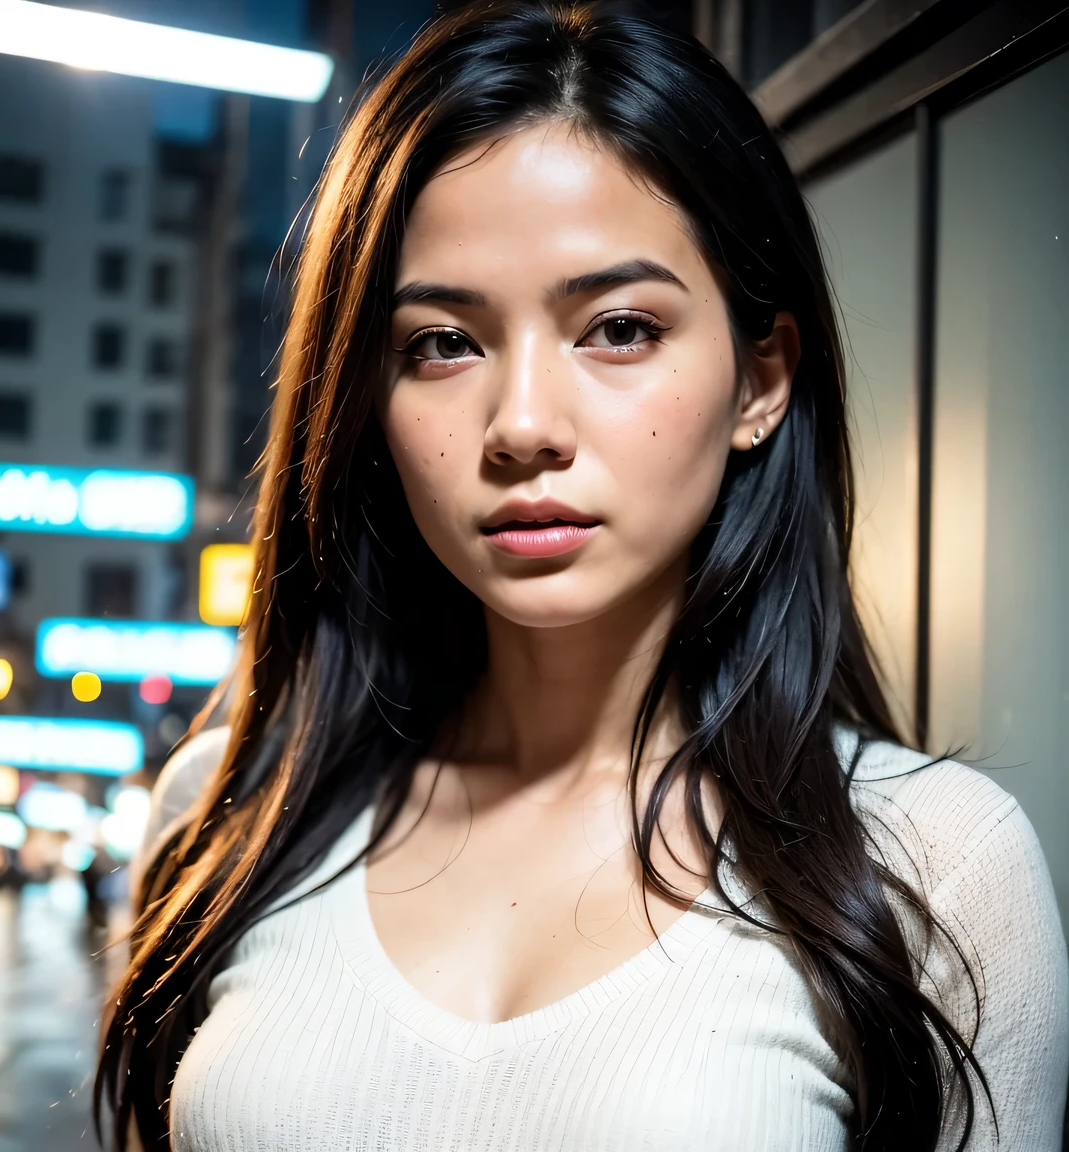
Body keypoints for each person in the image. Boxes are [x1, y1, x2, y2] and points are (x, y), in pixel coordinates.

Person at [97, 4, 1069, 1149]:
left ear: (761, 379)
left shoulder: (933, 865)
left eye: (617, 328)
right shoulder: (228, 812)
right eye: (442, 344)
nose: (521, 425)